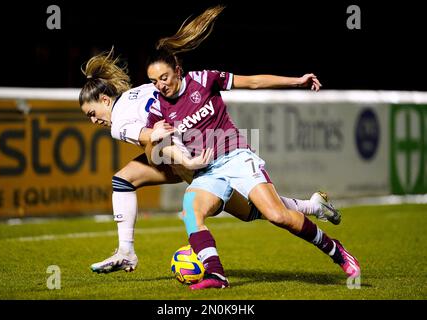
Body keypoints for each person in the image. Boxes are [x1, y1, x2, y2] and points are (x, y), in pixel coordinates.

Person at [145, 5, 359, 290]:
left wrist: (296, 80)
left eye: (164, 78)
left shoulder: (204, 80)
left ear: (178, 71)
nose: (159, 85)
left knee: (276, 216)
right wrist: (156, 139)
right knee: (191, 209)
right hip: (206, 170)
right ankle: (216, 275)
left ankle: (336, 250)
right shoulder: (158, 107)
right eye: (153, 81)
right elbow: (151, 152)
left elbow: (254, 82)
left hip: (234, 157)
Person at [78, 48, 341, 274]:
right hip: (186, 152)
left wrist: (169, 148)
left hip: (194, 156)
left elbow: (150, 136)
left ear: (104, 99)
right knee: (124, 180)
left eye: (92, 113)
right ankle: (313, 207)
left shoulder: (118, 123)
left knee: (253, 211)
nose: (93, 121)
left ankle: (127, 251)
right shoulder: (140, 91)